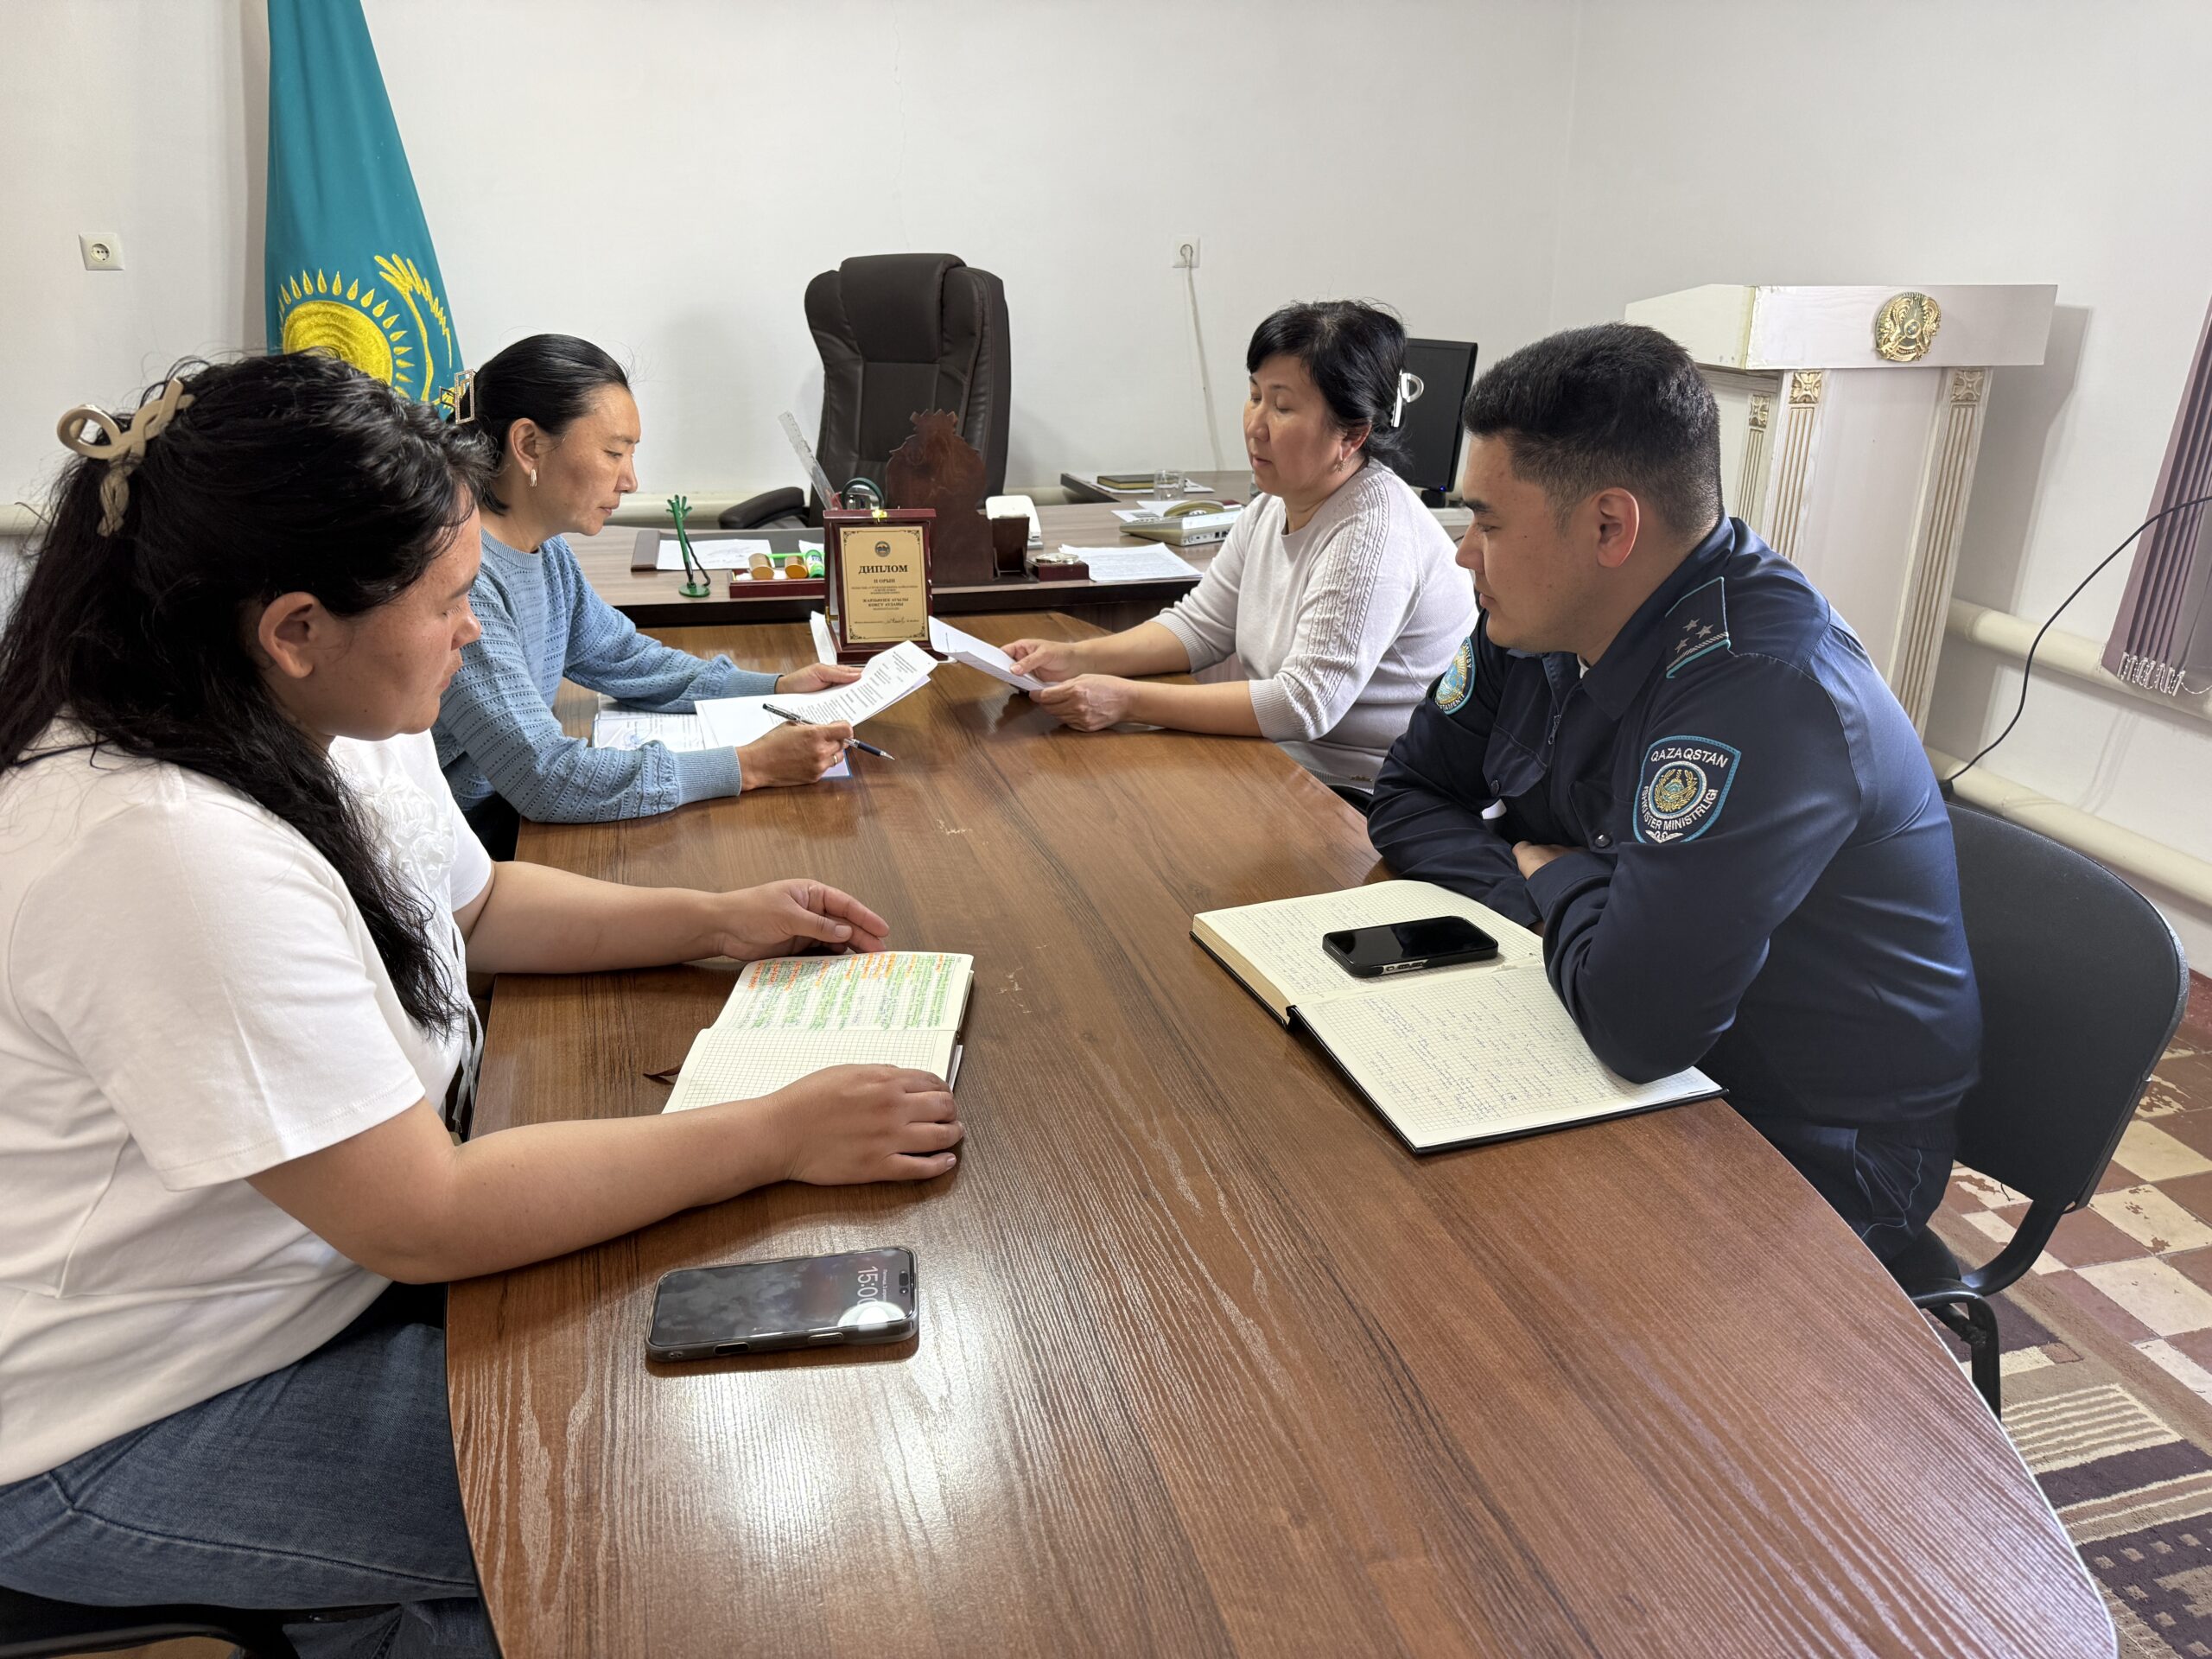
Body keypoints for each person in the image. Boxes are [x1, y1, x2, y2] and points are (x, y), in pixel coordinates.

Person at [0, 355, 962, 1658]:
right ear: (295, 625)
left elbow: (476, 907)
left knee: (669, 1365)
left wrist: (720, 920)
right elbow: (426, 1215)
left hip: (305, 1289)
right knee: (645, 1481)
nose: (476, 629)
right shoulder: (161, 840)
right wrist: (772, 1134)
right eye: (454, 601)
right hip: (118, 1419)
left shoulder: (322, 705)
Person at [1368, 323, 1980, 1262]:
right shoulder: (1537, 619)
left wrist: (1564, 889)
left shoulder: (1761, 685)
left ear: (1609, 526)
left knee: (1474, 1273)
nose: (1462, 556)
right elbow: (1408, 793)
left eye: (1487, 522)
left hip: (1812, 1134)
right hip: (1635, 1037)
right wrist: (1541, 888)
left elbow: (1638, 1026)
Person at [1005, 302, 1471, 805]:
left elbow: (1303, 704)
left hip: (1372, 794)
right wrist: (1074, 659)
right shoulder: (1274, 504)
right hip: (1288, 764)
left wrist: (1127, 700)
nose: (1256, 424)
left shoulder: (1373, 529)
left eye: (1283, 406)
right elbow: (1200, 626)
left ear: (1352, 435)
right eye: (1254, 396)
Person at [434, 334, 859, 856]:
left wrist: (773, 687)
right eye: (614, 453)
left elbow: (625, 660)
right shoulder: (462, 579)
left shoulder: (546, 552)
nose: (631, 480)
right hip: (466, 853)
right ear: (528, 445)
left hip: (509, 827)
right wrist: (751, 765)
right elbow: (544, 777)